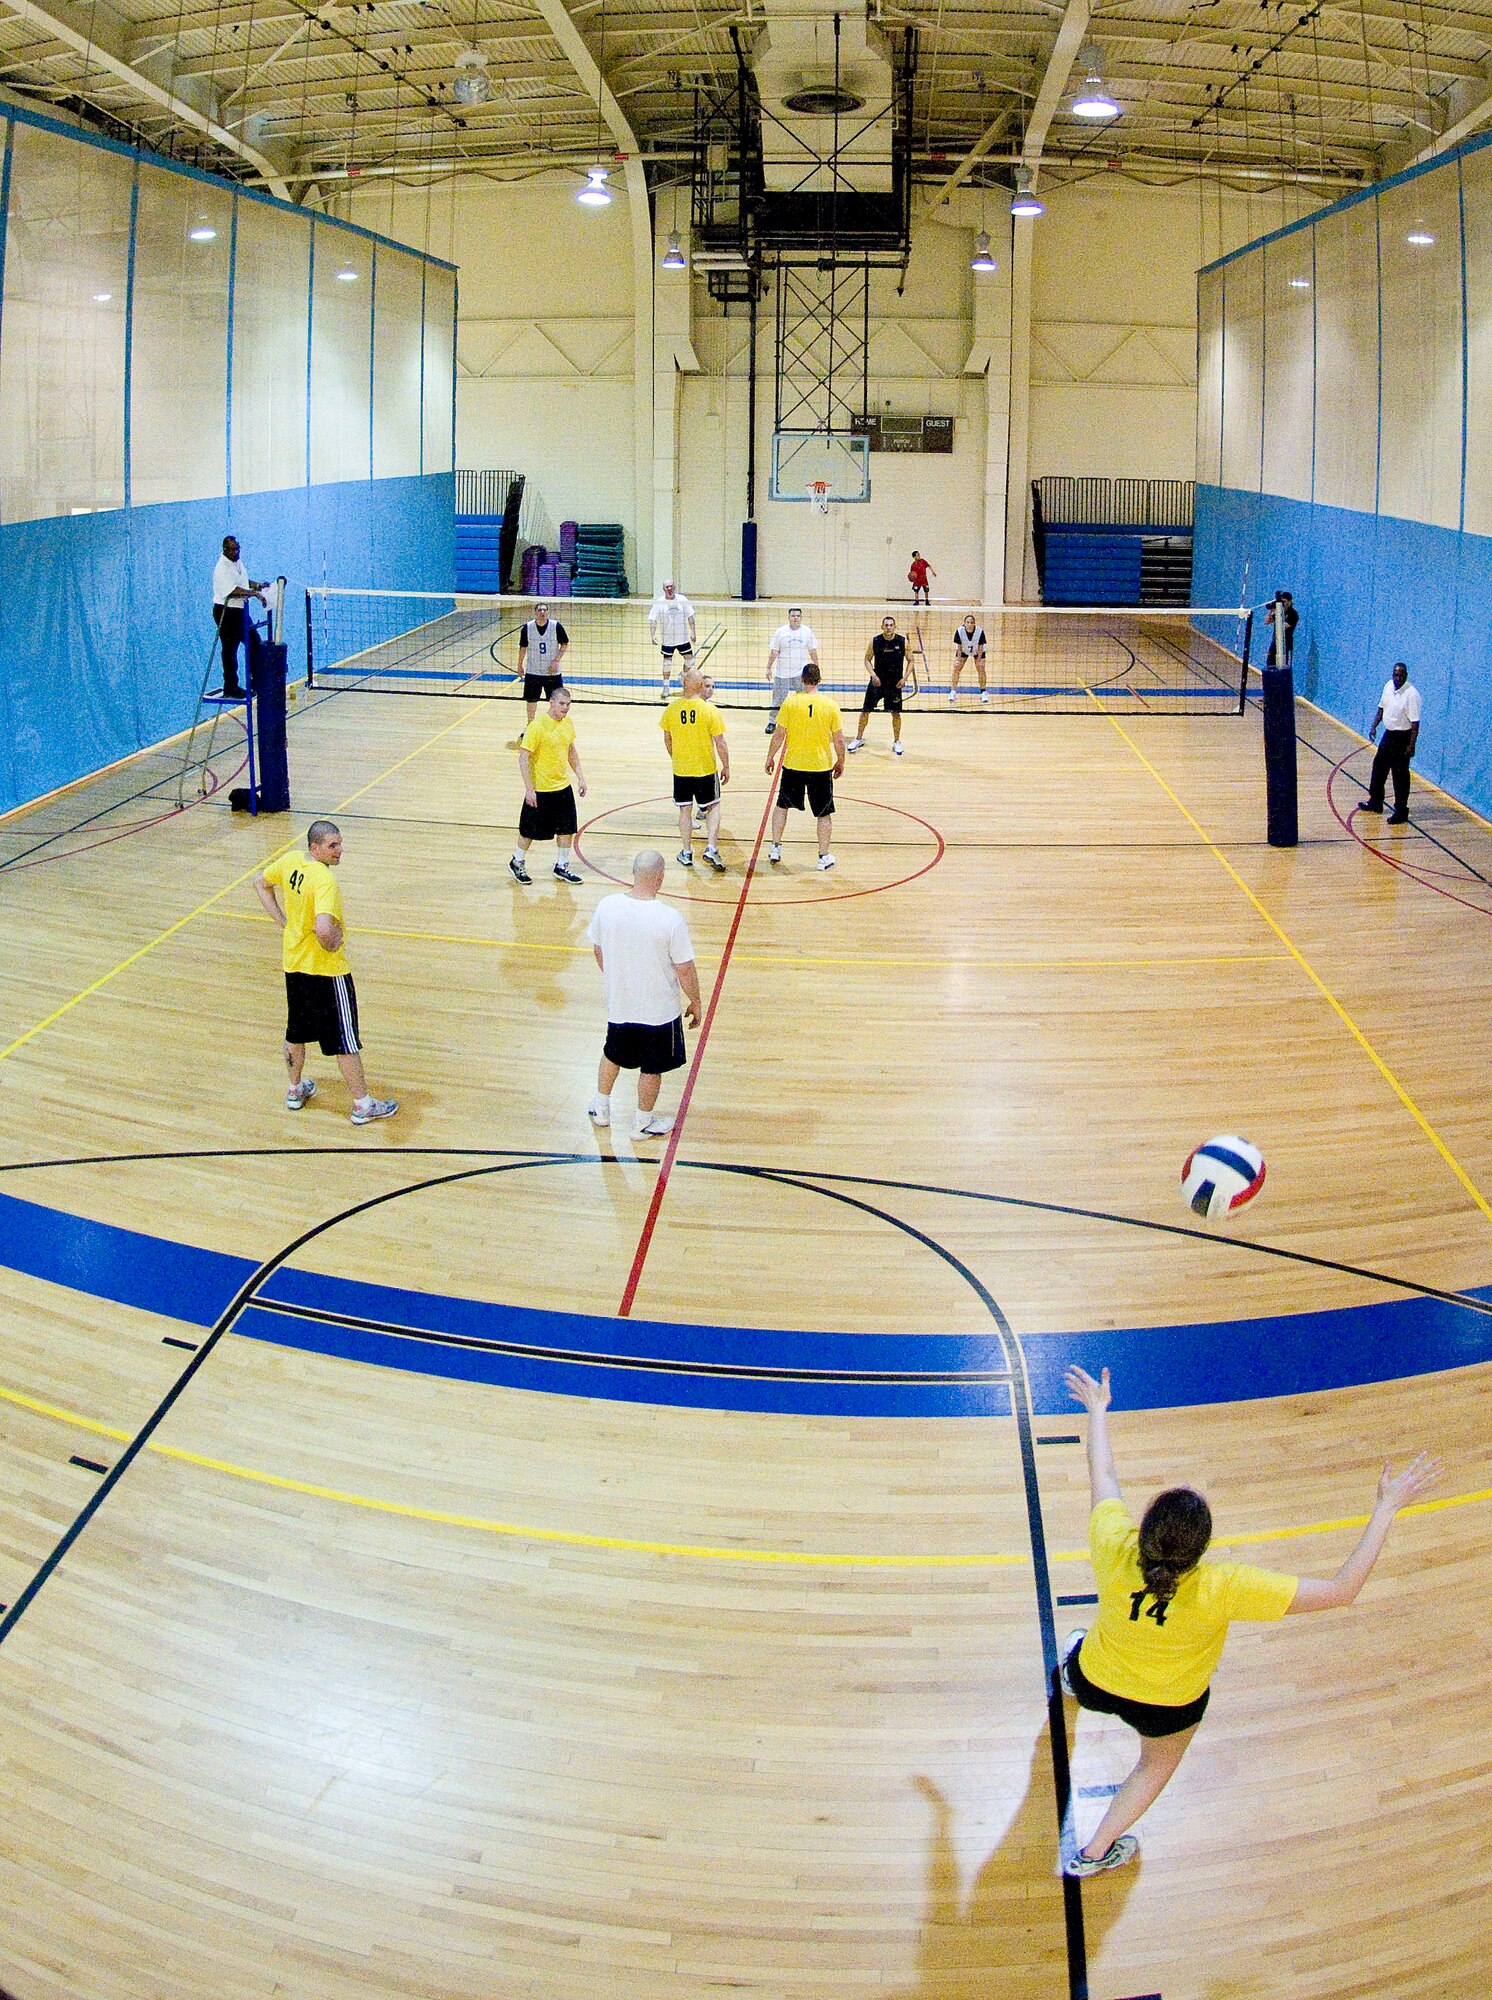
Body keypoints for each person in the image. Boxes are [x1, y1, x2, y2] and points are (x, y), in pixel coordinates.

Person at [1058, 1362, 1440, 1879]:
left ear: (1143, 1527)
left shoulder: (1114, 1545)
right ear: (1202, 1548)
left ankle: (1070, 1682)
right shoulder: (1225, 1585)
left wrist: (1098, 1412)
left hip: (1099, 1677)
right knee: (1153, 1767)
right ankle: (1095, 1853)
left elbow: (1102, 1475)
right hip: (1169, 1705)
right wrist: (1385, 1509)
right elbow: (1343, 1591)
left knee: (1080, 1656)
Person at [254, 820, 398, 1126]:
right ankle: (362, 1105)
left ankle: (295, 1090)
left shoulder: (292, 860)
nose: (340, 851)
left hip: (294, 964)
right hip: (327, 972)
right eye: (333, 846)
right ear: (315, 847)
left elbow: (260, 884)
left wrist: (285, 924)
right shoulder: (324, 882)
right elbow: (323, 928)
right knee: (344, 1040)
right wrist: (332, 942)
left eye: (340, 844)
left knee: (296, 1031)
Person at [587, 850, 703, 1140]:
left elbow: (598, 949)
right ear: (661, 878)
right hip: (659, 1012)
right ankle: (641, 1123)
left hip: (620, 1005)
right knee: (652, 1067)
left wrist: (617, 979)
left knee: (612, 1052)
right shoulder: (670, 919)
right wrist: (696, 1000)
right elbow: (685, 968)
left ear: (633, 873)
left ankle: (601, 1107)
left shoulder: (607, 906)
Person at [765, 662, 846, 872]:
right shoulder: (830, 705)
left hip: (794, 765)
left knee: (782, 806)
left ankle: (775, 847)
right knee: (824, 813)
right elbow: (838, 739)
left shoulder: (791, 703)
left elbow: (779, 734)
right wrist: (841, 760)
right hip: (820, 767)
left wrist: (770, 757)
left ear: (802, 680)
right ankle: (823, 857)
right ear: (819, 681)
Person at [511, 686, 587, 885]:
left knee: (567, 829)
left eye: (568, 704)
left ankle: (562, 866)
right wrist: (529, 789)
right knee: (529, 831)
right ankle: (517, 862)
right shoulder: (537, 726)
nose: (565, 708)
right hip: (540, 790)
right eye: (562, 704)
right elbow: (524, 757)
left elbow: (571, 751)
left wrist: (580, 777)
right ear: (551, 702)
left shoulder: (568, 724)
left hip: (562, 787)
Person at [662, 667, 729, 873]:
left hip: (681, 769)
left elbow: (667, 739)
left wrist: (677, 757)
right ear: (700, 686)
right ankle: (711, 848)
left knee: (684, 809)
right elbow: (720, 742)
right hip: (705, 769)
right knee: (713, 806)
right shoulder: (709, 710)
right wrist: (726, 766)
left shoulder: (672, 709)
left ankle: (687, 852)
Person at [1362, 661, 1421, 826]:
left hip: (1403, 737)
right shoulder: (1388, 686)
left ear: (1406, 675)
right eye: (1395, 674)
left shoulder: (1412, 694)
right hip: (1389, 735)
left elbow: (1415, 724)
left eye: (1401, 675)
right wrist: (1374, 726)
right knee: (1379, 768)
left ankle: (1401, 811)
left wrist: (1411, 745)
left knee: (1400, 775)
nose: (1398, 678)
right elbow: (1381, 708)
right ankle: (1375, 802)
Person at [212, 534, 267, 700]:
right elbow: (232, 590)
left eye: (237, 548)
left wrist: (257, 584)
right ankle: (231, 686)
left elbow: (242, 581)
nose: (235, 552)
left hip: (240, 611)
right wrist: (254, 594)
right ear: (225, 550)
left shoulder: (237, 562)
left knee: (254, 642)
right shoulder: (222, 567)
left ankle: (255, 680)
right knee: (230, 649)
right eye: (232, 549)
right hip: (226, 612)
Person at [848, 614, 909, 757]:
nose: (888, 628)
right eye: (886, 625)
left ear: (895, 627)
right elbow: (867, 659)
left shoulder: (902, 642)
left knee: (895, 713)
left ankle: (897, 741)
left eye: (891, 625)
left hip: (894, 684)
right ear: (882, 627)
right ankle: (858, 738)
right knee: (865, 711)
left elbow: (911, 661)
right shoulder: (875, 641)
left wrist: (905, 678)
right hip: (877, 682)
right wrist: (873, 675)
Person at [765, 607, 820, 735]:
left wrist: (817, 668)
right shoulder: (780, 632)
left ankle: (805, 720)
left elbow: (812, 651)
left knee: (804, 698)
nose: (795, 618)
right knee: (778, 699)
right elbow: (774, 651)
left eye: (798, 616)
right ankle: (772, 722)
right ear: (789, 617)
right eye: (793, 616)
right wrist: (768, 667)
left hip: (800, 673)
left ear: (801, 618)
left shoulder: (807, 632)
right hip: (782, 672)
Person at [515, 601, 569, 723]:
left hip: (552, 672)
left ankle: (556, 724)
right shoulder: (527, 627)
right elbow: (523, 648)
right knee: (531, 700)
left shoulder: (556, 626)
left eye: (544, 610)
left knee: (557, 700)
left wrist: (556, 661)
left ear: (548, 612)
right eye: (539, 610)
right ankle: (530, 724)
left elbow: (564, 644)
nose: (542, 612)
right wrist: (519, 665)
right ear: (535, 612)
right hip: (533, 671)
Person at [647, 580, 696, 701]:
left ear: (674, 587)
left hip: (682, 638)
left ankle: (683, 676)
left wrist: (693, 631)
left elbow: (690, 616)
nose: (669, 588)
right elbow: (653, 619)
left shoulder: (682, 599)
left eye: (671, 586)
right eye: (667, 587)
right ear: (664, 589)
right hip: (667, 639)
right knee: (667, 663)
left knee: (690, 661)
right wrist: (652, 635)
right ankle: (666, 687)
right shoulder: (659, 602)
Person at [950, 614, 989, 703]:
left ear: (974, 623)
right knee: (956, 667)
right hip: (964, 649)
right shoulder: (960, 631)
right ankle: (953, 691)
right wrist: (958, 659)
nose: (969, 624)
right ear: (964, 623)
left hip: (977, 650)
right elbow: (959, 646)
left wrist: (979, 660)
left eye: (971, 622)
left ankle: (983, 692)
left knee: (981, 668)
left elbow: (980, 647)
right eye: (967, 622)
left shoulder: (980, 632)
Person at [1265, 589, 1298, 667]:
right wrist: (1270, 612)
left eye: (1285, 602)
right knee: (1270, 664)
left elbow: (1284, 626)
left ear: (1290, 602)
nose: (1283, 604)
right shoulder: (1280, 611)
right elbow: (1267, 621)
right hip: (1275, 642)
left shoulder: (1293, 614)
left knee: (1284, 665)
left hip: (1286, 643)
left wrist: (1277, 613)